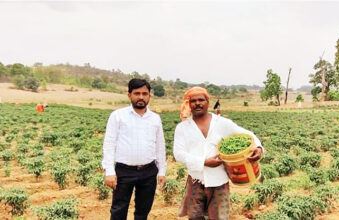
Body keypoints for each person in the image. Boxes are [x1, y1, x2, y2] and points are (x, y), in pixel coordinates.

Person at [173, 87, 264, 220]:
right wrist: (204, 161)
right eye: (193, 101)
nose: (197, 103)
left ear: (207, 102)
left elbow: (246, 134)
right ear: (189, 104)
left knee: (220, 217)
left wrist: (259, 148)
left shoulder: (221, 123)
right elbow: (178, 153)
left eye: (201, 100)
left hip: (219, 181)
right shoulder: (182, 128)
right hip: (195, 180)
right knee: (194, 217)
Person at [102, 78, 166, 220]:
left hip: (149, 171)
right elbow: (109, 143)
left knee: (143, 211)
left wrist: (162, 171)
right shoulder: (118, 116)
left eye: (145, 93)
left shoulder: (155, 118)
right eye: (137, 93)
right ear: (129, 95)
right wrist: (109, 171)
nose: (141, 97)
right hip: (124, 171)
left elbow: (160, 146)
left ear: (149, 95)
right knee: (118, 210)